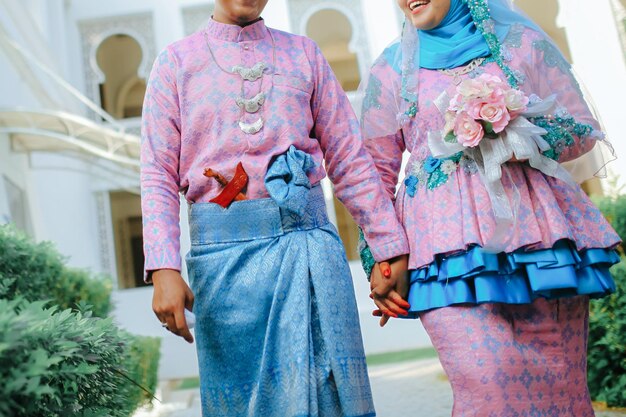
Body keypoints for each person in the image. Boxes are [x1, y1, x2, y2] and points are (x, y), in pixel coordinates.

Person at [140, 0, 410, 416]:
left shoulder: (304, 53)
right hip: (224, 274)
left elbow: (349, 159)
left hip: (310, 257)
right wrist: (163, 267)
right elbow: (157, 172)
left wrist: (389, 249)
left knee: (330, 402)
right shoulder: (175, 63)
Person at [360, 0, 621, 415]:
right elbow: (374, 174)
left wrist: (519, 131)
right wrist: (381, 254)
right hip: (444, 256)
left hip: (544, 248)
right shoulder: (390, 69)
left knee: (562, 393)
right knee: (487, 389)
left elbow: (582, 130)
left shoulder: (521, 43)